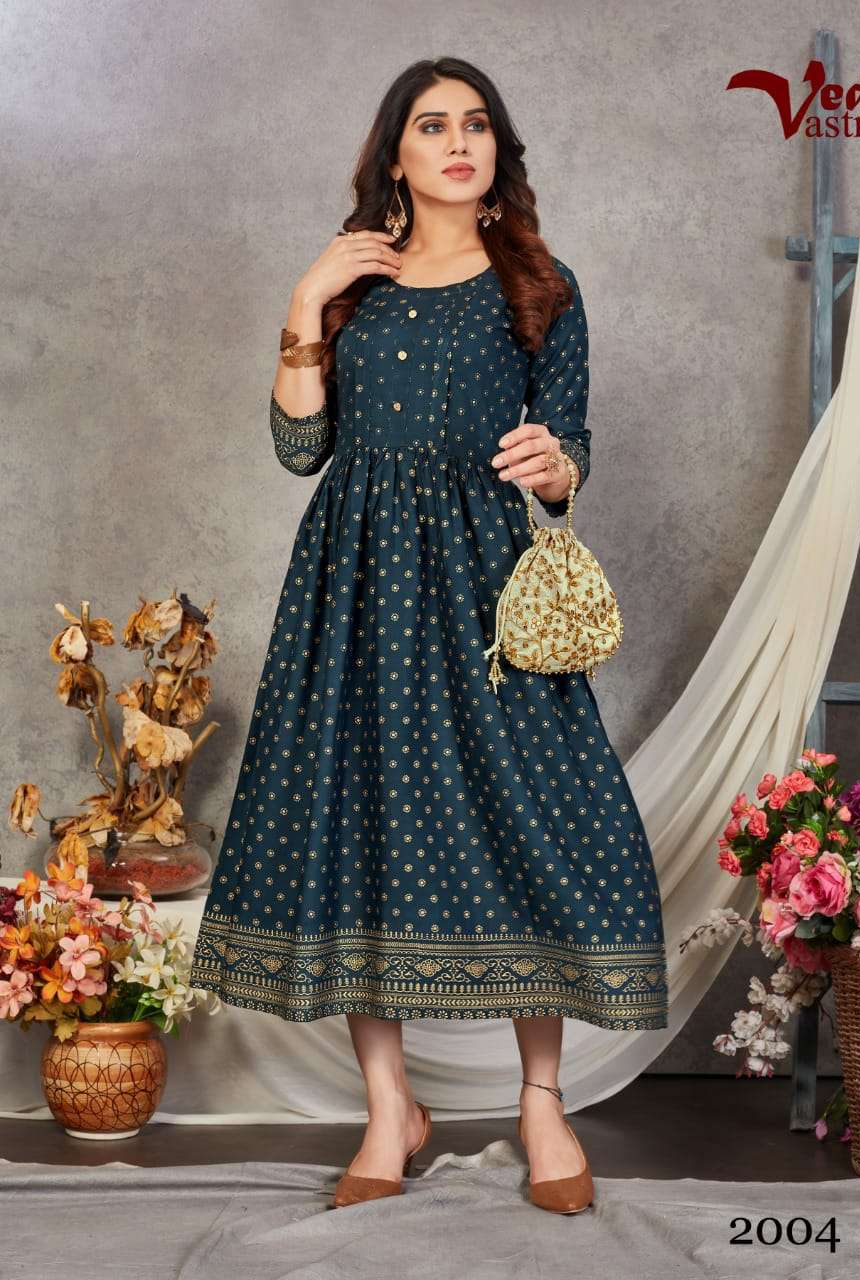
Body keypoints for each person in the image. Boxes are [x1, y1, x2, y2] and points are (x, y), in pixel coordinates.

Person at [189, 55, 668, 1215]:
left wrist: (556, 464)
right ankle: (387, 1105)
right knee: (365, 819)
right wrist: (305, 300)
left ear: (498, 151)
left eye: (476, 124)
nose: (459, 142)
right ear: (394, 156)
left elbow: (570, 447)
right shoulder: (351, 282)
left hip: (488, 580)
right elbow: (299, 450)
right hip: (355, 582)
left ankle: (541, 1099)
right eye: (432, 125)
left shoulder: (540, 282)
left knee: (539, 814)